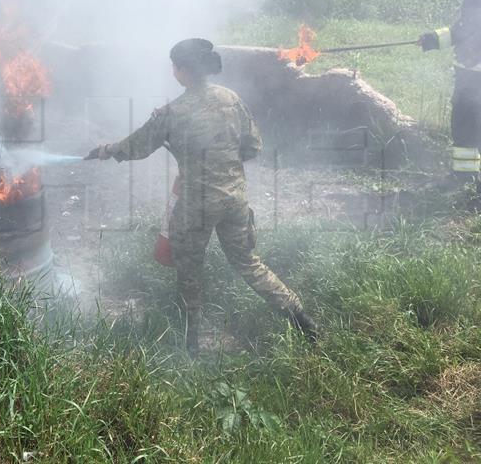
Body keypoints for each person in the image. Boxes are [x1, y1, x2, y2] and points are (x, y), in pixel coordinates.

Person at [85, 38, 317, 354]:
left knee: (189, 271)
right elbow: (253, 147)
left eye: (174, 66)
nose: (172, 70)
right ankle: (303, 321)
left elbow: (136, 147)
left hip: (196, 205)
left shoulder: (171, 112)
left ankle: (189, 346)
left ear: (181, 70)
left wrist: (105, 151)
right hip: (235, 198)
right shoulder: (231, 99)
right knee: (249, 263)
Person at [419, 0, 481, 186]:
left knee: (467, 124)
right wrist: (434, 39)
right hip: (472, 69)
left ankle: (465, 179)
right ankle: (467, 180)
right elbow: (465, 28)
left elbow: (471, 30)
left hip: (475, 72)